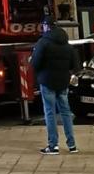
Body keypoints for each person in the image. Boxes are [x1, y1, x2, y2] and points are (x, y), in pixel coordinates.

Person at [31, 15, 78, 155]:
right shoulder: (67, 44)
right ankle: (72, 145)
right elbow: (74, 64)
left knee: (50, 113)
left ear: (46, 26)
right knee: (66, 113)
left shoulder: (43, 43)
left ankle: (53, 146)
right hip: (63, 82)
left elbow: (35, 63)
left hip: (47, 82)